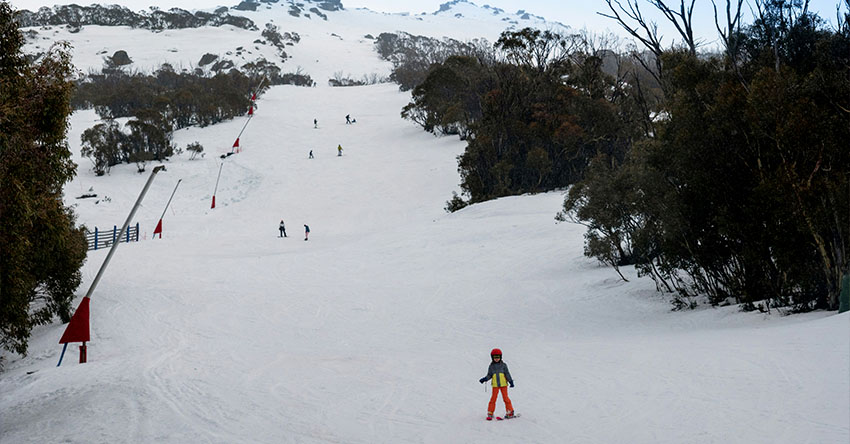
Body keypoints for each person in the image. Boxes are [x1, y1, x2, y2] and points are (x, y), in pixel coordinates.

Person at [478, 348, 515, 420]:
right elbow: (489, 375)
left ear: (500, 357)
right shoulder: (491, 366)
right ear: (492, 357)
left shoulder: (504, 365)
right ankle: (490, 413)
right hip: (495, 385)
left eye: (498, 357)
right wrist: (485, 379)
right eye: (495, 357)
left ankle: (510, 412)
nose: (496, 359)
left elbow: (507, 374)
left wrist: (511, 381)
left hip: (503, 385)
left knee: (506, 398)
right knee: (493, 399)